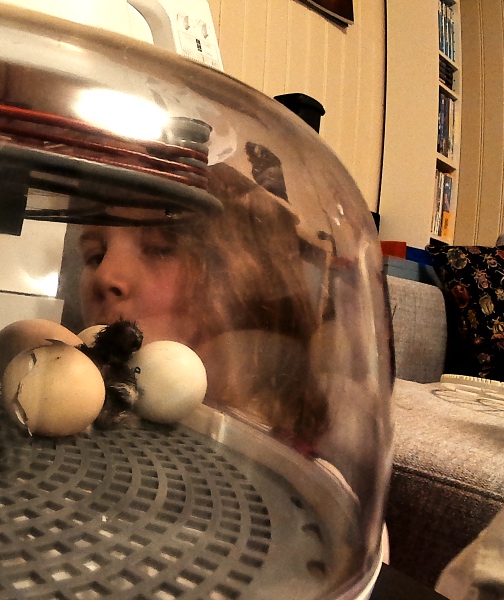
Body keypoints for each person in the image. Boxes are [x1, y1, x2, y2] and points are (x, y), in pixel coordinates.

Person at [75, 145, 331, 451]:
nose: (104, 275)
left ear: (243, 279)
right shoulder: (83, 409)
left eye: (159, 249)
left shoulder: (273, 457)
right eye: (95, 255)